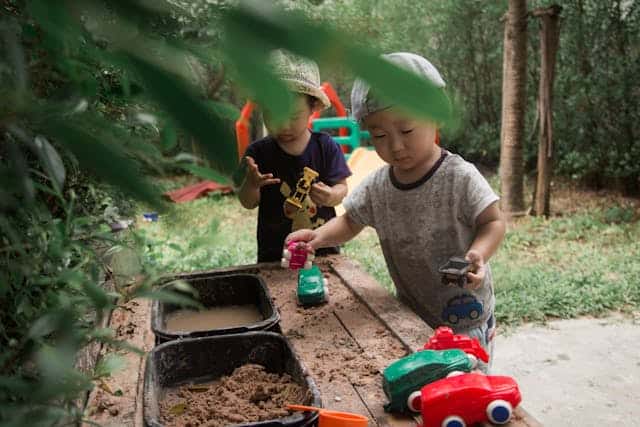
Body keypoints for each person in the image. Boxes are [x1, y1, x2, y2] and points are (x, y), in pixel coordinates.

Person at [285, 52, 505, 371]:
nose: (396, 146)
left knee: (465, 386)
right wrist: (316, 238)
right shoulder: (379, 185)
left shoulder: (460, 176)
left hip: (465, 315)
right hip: (412, 313)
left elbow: (493, 221)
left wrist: (478, 254)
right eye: (380, 136)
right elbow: (349, 221)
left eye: (406, 130)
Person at [238, 50, 351, 263]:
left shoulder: (326, 146)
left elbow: (342, 188)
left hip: (323, 250)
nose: (284, 125)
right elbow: (248, 203)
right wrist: (251, 185)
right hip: (275, 254)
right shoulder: (257, 153)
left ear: (313, 108)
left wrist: (331, 196)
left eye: (294, 116)